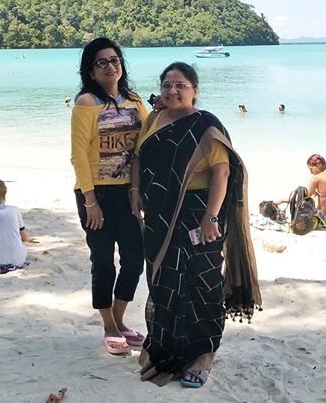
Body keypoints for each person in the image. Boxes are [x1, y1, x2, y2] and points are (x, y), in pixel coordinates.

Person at [132, 62, 260, 388]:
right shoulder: (154, 119)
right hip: (159, 217)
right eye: (167, 85)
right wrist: (135, 191)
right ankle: (165, 348)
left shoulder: (206, 126)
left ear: (195, 91)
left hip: (197, 214)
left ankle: (203, 355)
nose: (172, 91)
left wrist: (211, 216)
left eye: (181, 85)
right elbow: (138, 157)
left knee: (202, 282)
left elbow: (222, 172)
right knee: (163, 279)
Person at [70, 37, 148, 356]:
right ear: (91, 70)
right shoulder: (87, 102)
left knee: (134, 259)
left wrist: (136, 191)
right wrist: (90, 201)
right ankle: (109, 326)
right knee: (103, 261)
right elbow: (78, 155)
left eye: (114, 60)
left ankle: (118, 319)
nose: (110, 66)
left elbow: (145, 143)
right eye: (101, 62)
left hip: (128, 191)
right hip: (96, 192)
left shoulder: (134, 101)